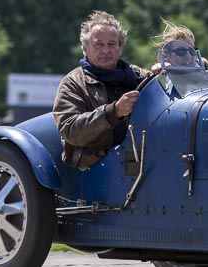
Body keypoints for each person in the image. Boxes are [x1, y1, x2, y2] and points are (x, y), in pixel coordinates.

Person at [53, 11, 148, 169]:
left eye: (112, 44)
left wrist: (163, 73)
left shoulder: (138, 77)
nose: (106, 50)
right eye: (98, 45)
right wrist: (113, 112)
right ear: (85, 49)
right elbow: (70, 130)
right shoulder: (73, 83)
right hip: (95, 167)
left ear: (119, 48)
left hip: (141, 161)